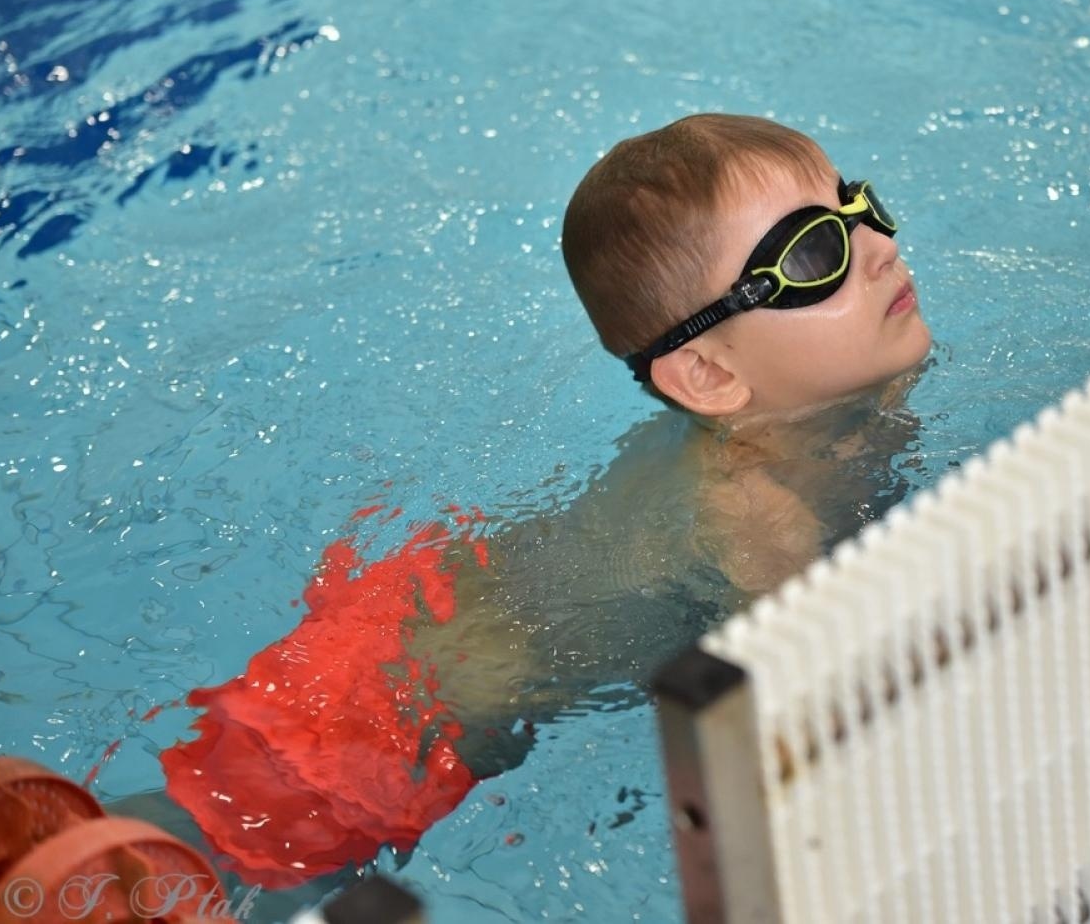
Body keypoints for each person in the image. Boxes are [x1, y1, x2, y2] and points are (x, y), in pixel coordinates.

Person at [150, 113, 935, 895]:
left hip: (437, 614)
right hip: (392, 716)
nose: (881, 245)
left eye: (858, 206)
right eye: (814, 253)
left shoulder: (833, 411)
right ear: (707, 376)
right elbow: (830, 740)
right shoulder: (756, 511)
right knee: (177, 867)